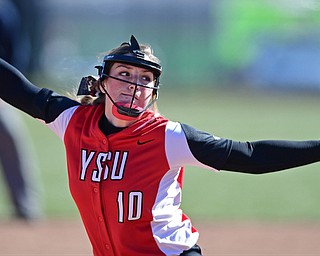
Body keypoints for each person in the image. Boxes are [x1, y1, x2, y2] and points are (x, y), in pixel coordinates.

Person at [1, 35, 320, 255]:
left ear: (154, 91)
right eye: (124, 74)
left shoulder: (168, 137)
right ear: (102, 82)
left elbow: (250, 155)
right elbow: (17, 88)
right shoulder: (72, 120)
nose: (133, 86)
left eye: (144, 79)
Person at [0, 0, 41, 220]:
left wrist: (8, 91)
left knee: (10, 138)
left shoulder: (3, 9)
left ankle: (25, 206)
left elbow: (15, 49)